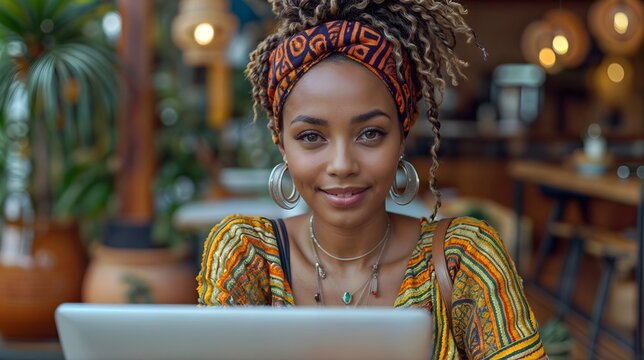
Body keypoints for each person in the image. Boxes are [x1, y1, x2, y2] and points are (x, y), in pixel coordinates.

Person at [197, 1, 546, 358]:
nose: (342, 164)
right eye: (311, 137)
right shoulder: (249, 256)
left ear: (403, 136)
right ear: (281, 143)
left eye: (370, 134)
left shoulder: (465, 260)